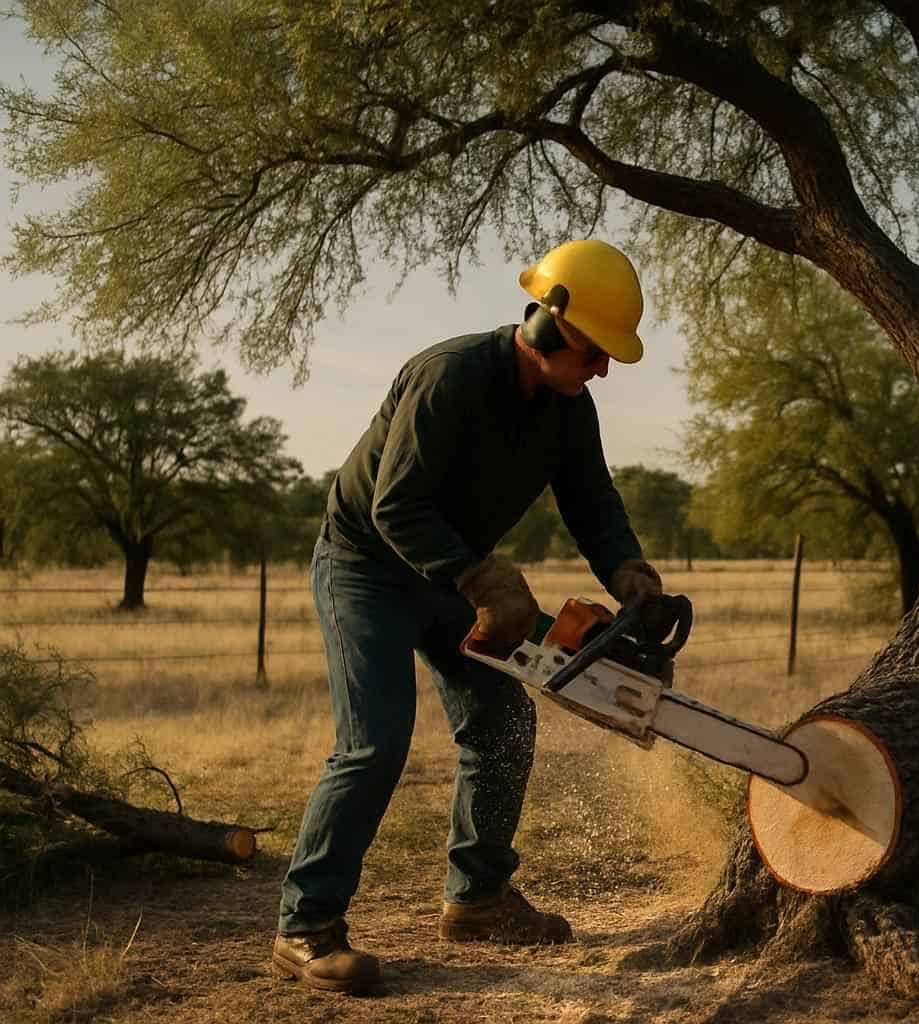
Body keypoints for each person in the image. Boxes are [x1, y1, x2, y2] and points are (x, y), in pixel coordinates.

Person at [271, 239, 664, 994]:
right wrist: (482, 576)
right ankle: (305, 927)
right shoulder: (448, 376)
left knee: (502, 721)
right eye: (595, 351)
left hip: (450, 577)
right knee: (374, 745)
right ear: (551, 323)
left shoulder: (569, 409)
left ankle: (478, 897)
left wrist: (627, 571)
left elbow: (592, 502)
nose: (603, 369)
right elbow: (396, 506)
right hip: (368, 568)